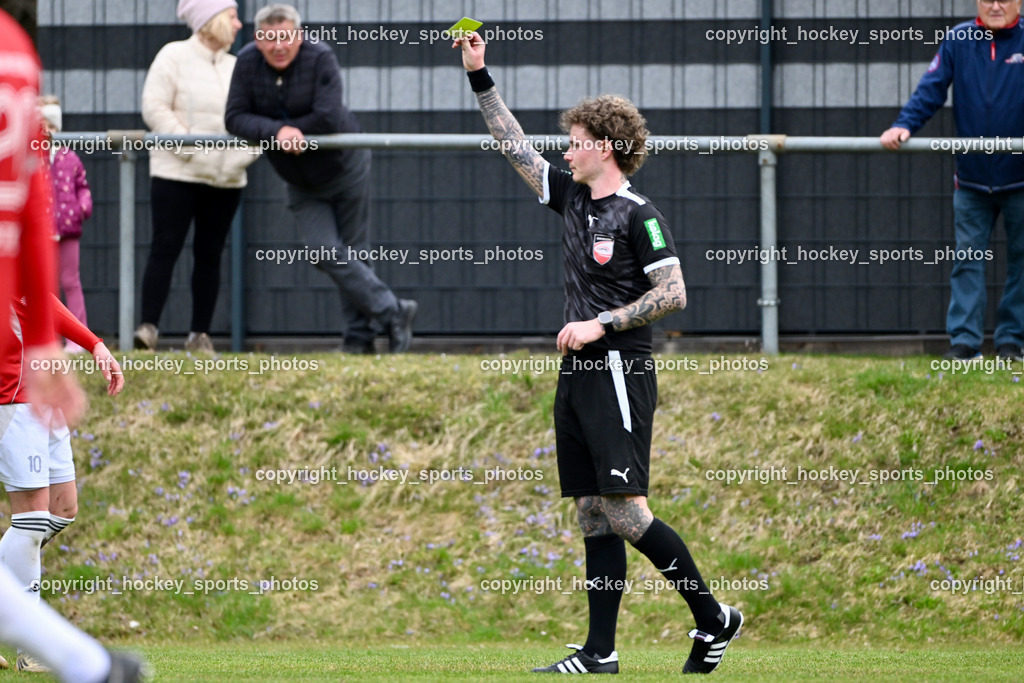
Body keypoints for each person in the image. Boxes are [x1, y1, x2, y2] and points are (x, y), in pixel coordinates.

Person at [454, 33, 742, 675]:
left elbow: (674, 293)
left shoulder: (641, 214)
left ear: (603, 148)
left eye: (576, 140)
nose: (566, 150)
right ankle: (601, 653)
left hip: (619, 368)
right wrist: (479, 76)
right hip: (579, 373)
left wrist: (601, 324)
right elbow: (514, 146)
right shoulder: (573, 197)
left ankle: (715, 619)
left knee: (626, 511)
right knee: (592, 513)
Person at [0, 9, 142, 681]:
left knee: (60, 509)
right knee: (31, 512)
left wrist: (75, 345)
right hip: (6, 386)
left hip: (24, 373)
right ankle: (48, 646)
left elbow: (33, 253)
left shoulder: (13, 51)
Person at [225, 3, 417, 354]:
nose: (278, 46)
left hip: (346, 168)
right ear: (257, 39)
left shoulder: (320, 57)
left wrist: (294, 132)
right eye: (270, 39)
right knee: (325, 251)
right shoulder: (247, 63)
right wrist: (278, 131)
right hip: (299, 181)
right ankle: (394, 311)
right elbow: (234, 118)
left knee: (354, 251)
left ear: (299, 36)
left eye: (285, 37)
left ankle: (358, 341)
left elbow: (329, 117)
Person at [880, 0, 1024, 362]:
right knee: (967, 260)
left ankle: (1012, 343)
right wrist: (904, 124)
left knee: (1022, 262)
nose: (995, 5)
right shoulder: (958, 40)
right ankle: (965, 343)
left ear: (1019, 2)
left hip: (1020, 179)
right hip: (972, 181)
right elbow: (931, 88)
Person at [0, 293, 124, 672]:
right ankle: (32, 647)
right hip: (14, 398)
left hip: (43, 395)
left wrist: (95, 344)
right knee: (33, 520)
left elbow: (40, 298)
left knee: (63, 509)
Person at [135, 0, 259, 354]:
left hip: (226, 179)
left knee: (210, 255)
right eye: (232, 17)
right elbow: (154, 107)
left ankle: (199, 336)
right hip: (176, 173)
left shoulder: (240, 66)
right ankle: (148, 329)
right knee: (165, 247)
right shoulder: (172, 56)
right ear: (212, 19)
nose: (238, 25)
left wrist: (241, 159)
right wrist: (189, 147)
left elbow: (256, 118)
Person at [39, 96, 93, 354]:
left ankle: (78, 337)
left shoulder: (69, 158)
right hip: (41, 232)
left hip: (68, 230)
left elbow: (82, 186)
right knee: (45, 286)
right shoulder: (32, 160)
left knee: (71, 281)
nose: (47, 132)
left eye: (52, 126)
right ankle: (46, 339)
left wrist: (83, 206)